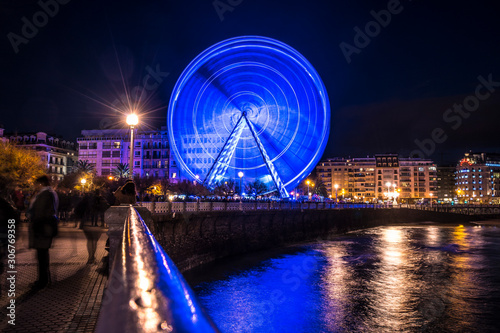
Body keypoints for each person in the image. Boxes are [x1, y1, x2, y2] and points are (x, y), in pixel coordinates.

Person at [27, 175, 59, 290]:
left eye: (36, 184)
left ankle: (43, 281)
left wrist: (33, 220)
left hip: (42, 229)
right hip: (44, 228)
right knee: (42, 255)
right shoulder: (49, 193)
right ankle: (44, 279)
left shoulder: (46, 194)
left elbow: (41, 212)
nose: (35, 186)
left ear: (41, 183)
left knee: (42, 255)